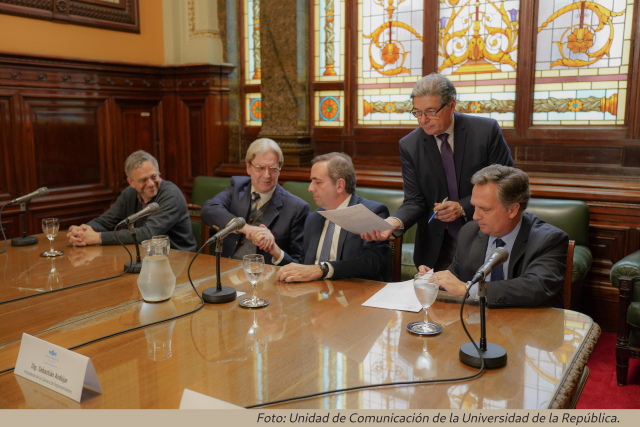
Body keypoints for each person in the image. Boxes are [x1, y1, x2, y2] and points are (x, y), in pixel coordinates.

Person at [362, 73, 513, 271]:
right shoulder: (410, 145)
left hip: (485, 235)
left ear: (451, 106)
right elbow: (415, 201)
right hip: (437, 245)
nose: (423, 120)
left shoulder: (485, 131)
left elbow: (507, 183)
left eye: (431, 112)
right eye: (417, 112)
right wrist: (393, 222)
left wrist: (461, 207)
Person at [420, 165, 568, 308]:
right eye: (474, 206)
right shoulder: (469, 232)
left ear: (512, 210)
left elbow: (536, 288)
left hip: (530, 326)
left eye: (484, 209)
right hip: (477, 324)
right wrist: (434, 281)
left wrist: (469, 289)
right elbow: (455, 281)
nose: (476, 216)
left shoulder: (549, 240)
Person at [269, 153, 389, 283]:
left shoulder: (370, 212)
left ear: (339, 185)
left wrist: (323, 269)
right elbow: (305, 267)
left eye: (318, 182)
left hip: (353, 296)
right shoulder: (313, 219)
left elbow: (372, 263)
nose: (310, 188)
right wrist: (276, 251)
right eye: (311, 181)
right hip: (313, 295)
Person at [200, 138, 309, 264]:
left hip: (265, 278)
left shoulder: (297, 208)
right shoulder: (237, 188)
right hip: (225, 271)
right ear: (248, 168)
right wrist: (248, 229)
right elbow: (209, 209)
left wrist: (275, 250)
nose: (267, 175)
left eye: (273, 168)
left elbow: (299, 264)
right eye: (260, 168)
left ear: (280, 169)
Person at [67, 150, 197, 252]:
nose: (151, 184)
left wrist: (98, 237)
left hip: (179, 258)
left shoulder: (171, 194)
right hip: (144, 256)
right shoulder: (129, 193)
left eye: (154, 176)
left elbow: (148, 234)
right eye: (143, 180)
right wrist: (82, 231)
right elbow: (105, 221)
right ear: (131, 182)